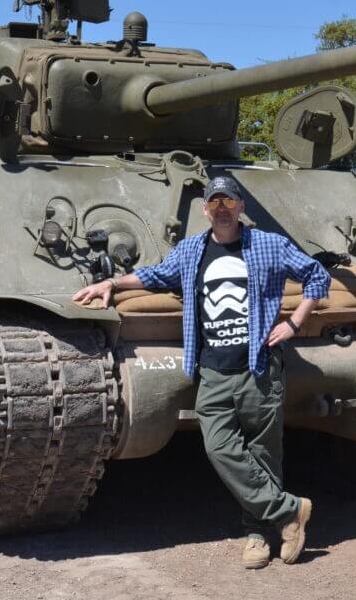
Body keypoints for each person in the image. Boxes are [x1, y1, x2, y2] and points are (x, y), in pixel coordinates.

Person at [72, 175, 330, 569]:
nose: (222, 208)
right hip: (212, 368)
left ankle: (258, 534)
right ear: (206, 209)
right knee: (220, 447)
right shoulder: (191, 249)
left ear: (241, 206)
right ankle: (290, 510)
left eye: (229, 200)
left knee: (263, 453)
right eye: (215, 202)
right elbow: (154, 276)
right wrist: (112, 282)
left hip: (258, 367)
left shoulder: (268, 245)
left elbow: (317, 275)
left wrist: (294, 323)